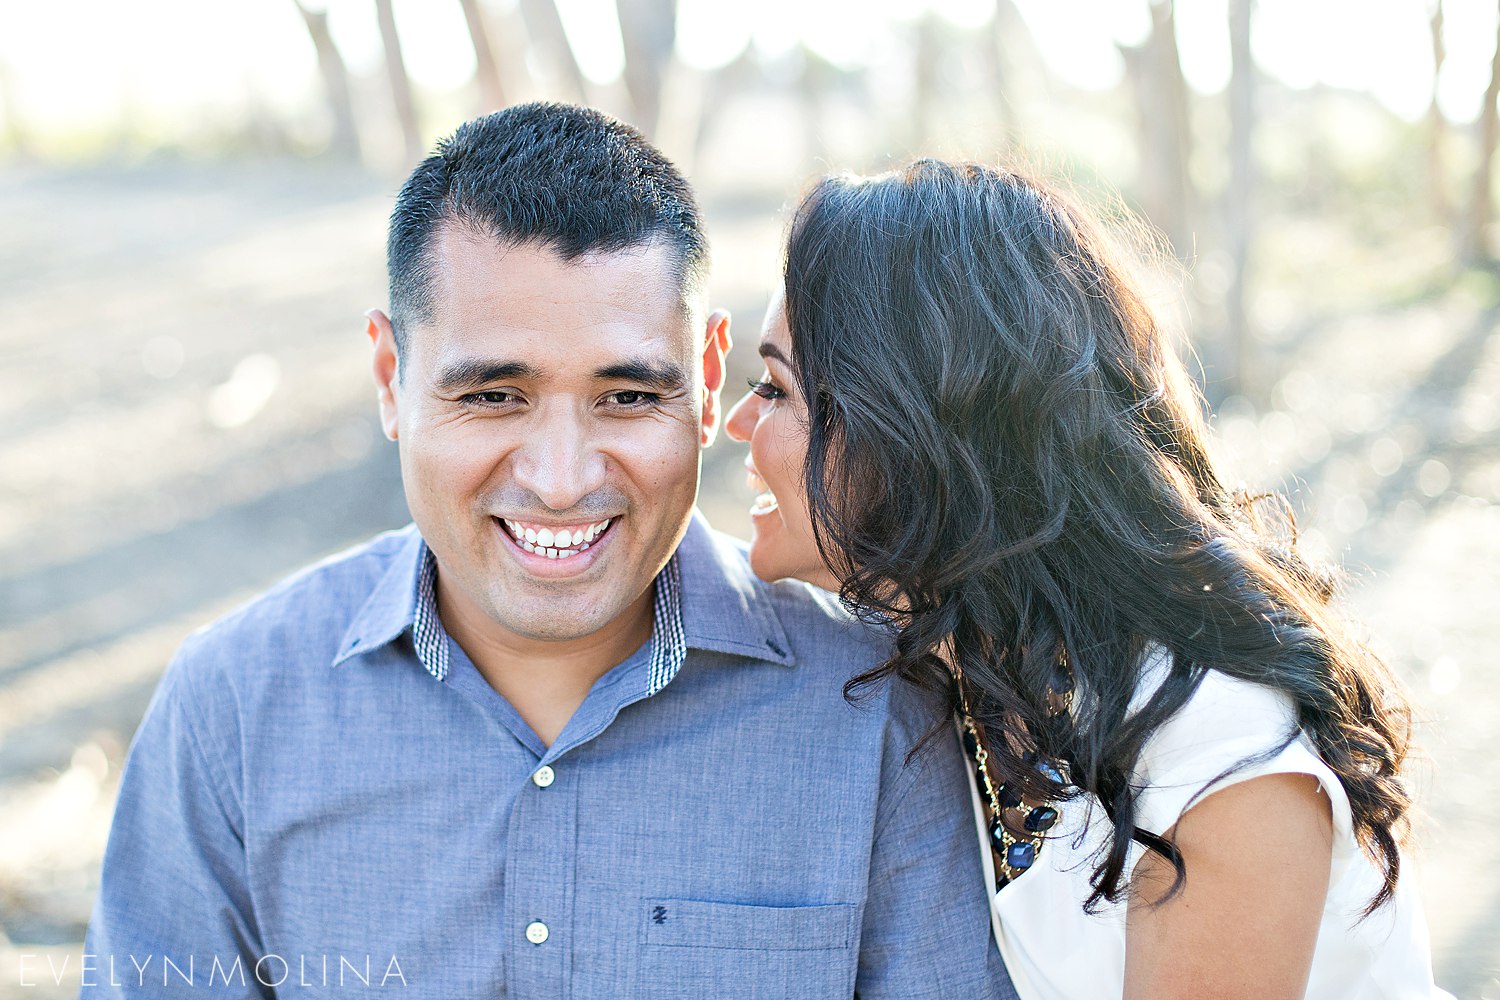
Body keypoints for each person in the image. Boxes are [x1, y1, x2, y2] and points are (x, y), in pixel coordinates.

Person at [81, 108, 1014, 998]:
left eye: (628, 397)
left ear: (704, 376)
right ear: (390, 378)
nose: (562, 480)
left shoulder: (880, 710)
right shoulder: (233, 708)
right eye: (493, 396)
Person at [725, 159, 1451, 1000]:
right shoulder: (970, 662)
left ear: (907, 430)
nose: (738, 423)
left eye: (774, 388)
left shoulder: (1214, 745)